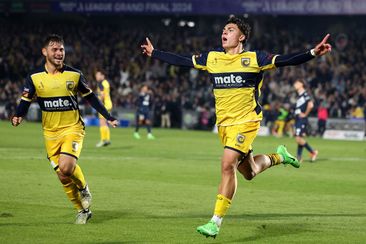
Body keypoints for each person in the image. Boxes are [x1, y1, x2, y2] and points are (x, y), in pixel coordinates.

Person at [141, 16, 331, 238]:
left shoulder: (255, 58)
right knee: (250, 172)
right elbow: (182, 60)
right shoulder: (212, 58)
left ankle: (215, 222)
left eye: (230, 30)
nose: (224, 32)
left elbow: (286, 60)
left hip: (247, 121)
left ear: (241, 36)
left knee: (226, 164)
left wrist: (313, 53)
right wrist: (155, 53)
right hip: (225, 125)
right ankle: (280, 157)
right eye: (223, 29)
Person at [11, 34, 118, 224]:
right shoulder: (35, 77)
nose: (59, 53)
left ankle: (84, 188)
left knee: (67, 167)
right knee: (62, 176)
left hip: (72, 128)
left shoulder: (74, 75)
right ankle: (82, 211)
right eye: (55, 49)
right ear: (45, 52)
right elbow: (26, 99)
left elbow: (90, 97)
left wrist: (108, 116)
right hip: (50, 133)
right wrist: (19, 114)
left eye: (61, 49)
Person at [293, 79, 318, 162]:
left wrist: (305, 114)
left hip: (301, 119)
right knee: (299, 138)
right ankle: (299, 157)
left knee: (298, 138)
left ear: (301, 84)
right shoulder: (300, 95)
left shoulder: (305, 94)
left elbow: (311, 105)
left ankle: (313, 152)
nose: (295, 84)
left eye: (297, 83)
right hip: (298, 118)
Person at [95, 69, 113, 147]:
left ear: (102, 76)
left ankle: (103, 140)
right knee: (105, 122)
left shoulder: (101, 83)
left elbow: (102, 95)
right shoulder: (106, 83)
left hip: (104, 105)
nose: (96, 77)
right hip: (108, 104)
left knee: (102, 122)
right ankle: (107, 140)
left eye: (98, 75)